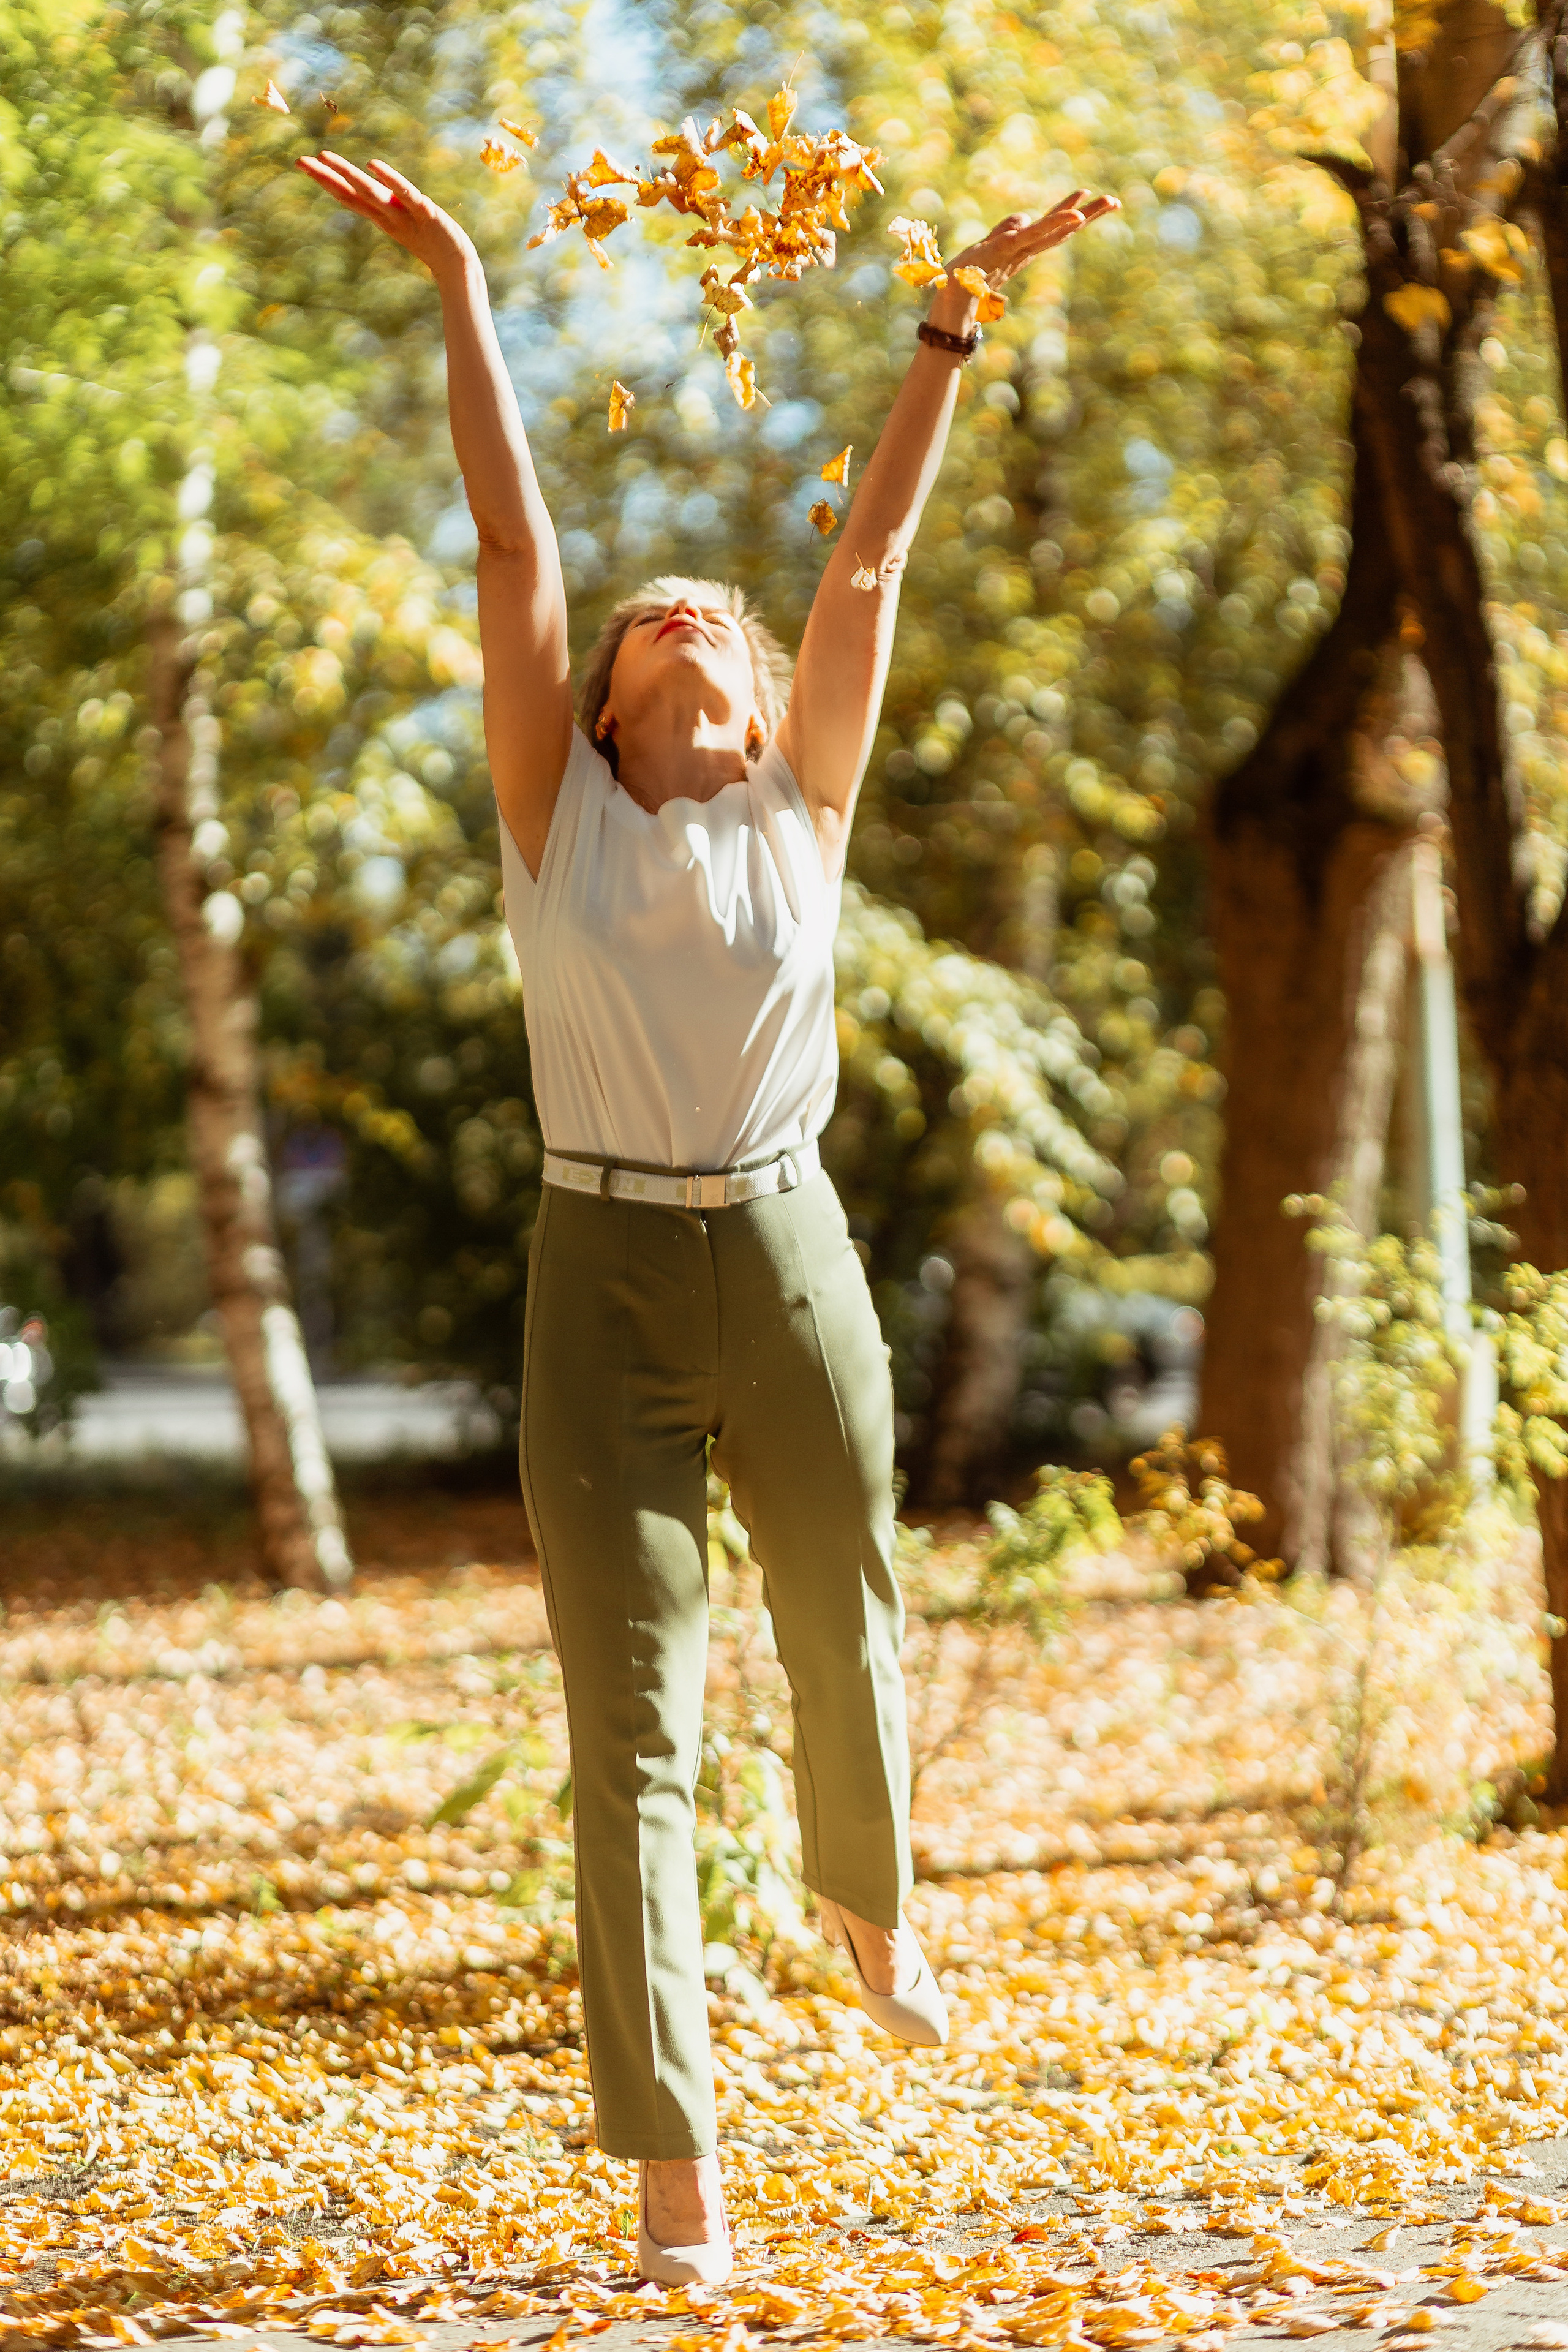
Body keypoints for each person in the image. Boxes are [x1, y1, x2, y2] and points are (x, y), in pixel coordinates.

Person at [299, 139, 1115, 2285]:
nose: (679, 609)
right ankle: (675, 2160)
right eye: (643, 617)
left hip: (787, 1253)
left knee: (846, 1605)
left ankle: (873, 1900)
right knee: (630, 1735)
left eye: (714, 621)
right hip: (598, 1283)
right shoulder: (553, 820)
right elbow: (511, 541)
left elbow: (872, 558)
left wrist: (948, 320)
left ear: (755, 695)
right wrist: (463, 287)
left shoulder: (799, 811)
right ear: (597, 705)